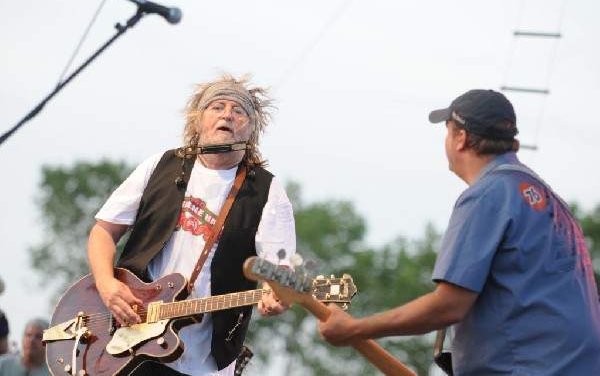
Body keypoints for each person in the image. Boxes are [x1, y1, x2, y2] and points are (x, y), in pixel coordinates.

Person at [318, 89, 600, 374]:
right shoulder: (548, 198)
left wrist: (355, 329)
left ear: (461, 138)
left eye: (447, 132)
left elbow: (448, 307)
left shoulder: (487, 195)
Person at [87, 73, 296, 376]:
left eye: (239, 111)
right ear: (198, 119)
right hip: (128, 338)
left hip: (204, 361)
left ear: (251, 128)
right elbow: (104, 231)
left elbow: (281, 272)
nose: (227, 114)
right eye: (217, 106)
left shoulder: (266, 191)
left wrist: (280, 295)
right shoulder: (161, 165)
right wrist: (106, 284)